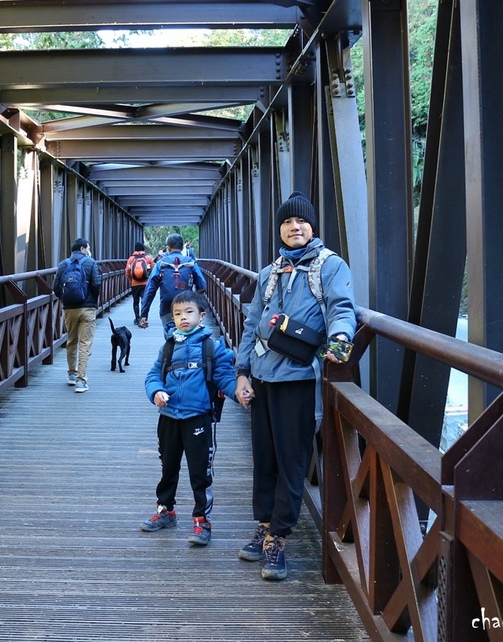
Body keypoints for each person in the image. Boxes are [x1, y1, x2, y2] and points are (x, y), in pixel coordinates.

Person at [233, 191, 356, 581]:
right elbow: (253, 324)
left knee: (292, 460)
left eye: (301, 221)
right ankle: (265, 524)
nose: (294, 227)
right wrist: (241, 372)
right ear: (281, 230)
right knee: (264, 458)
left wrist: (340, 340)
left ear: (312, 227)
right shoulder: (271, 272)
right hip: (264, 376)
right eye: (287, 222)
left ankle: (279, 537)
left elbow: (341, 307)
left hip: (299, 379)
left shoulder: (329, 266)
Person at [140, 290, 238, 546]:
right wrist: (156, 392)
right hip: (169, 417)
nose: (183, 318)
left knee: (200, 471)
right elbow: (153, 376)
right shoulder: (168, 346)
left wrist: (239, 393)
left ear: (202, 316)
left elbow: (224, 377)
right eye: (177, 313)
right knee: (168, 466)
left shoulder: (212, 347)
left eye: (189, 312)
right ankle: (166, 511)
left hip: (198, 418)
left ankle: (201, 521)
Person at [53, 238, 102, 393]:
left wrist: (65, 301)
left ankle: (72, 375)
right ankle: (81, 381)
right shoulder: (91, 263)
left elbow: (56, 287)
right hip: (87, 308)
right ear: (82, 248)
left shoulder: (63, 264)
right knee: (85, 343)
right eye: (88, 248)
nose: (88, 250)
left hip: (69, 309)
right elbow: (96, 284)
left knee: (71, 340)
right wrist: (92, 301)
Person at [138, 233, 207, 333]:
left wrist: (144, 314)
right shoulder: (191, 263)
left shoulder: (160, 264)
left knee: (170, 336)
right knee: (186, 335)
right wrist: (198, 307)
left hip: (167, 307)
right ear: (182, 247)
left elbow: (150, 290)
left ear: (168, 248)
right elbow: (202, 286)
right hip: (187, 305)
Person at [124, 242, 154, 326]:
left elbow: (127, 271)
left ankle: (137, 318)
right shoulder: (148, 258)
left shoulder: (131, 259)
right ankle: (144, 318)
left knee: (136, 301)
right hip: (145, 283)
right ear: (143, 249)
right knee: (144, 301)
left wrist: (131, 280)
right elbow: (153, 270)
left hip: (135, 284)